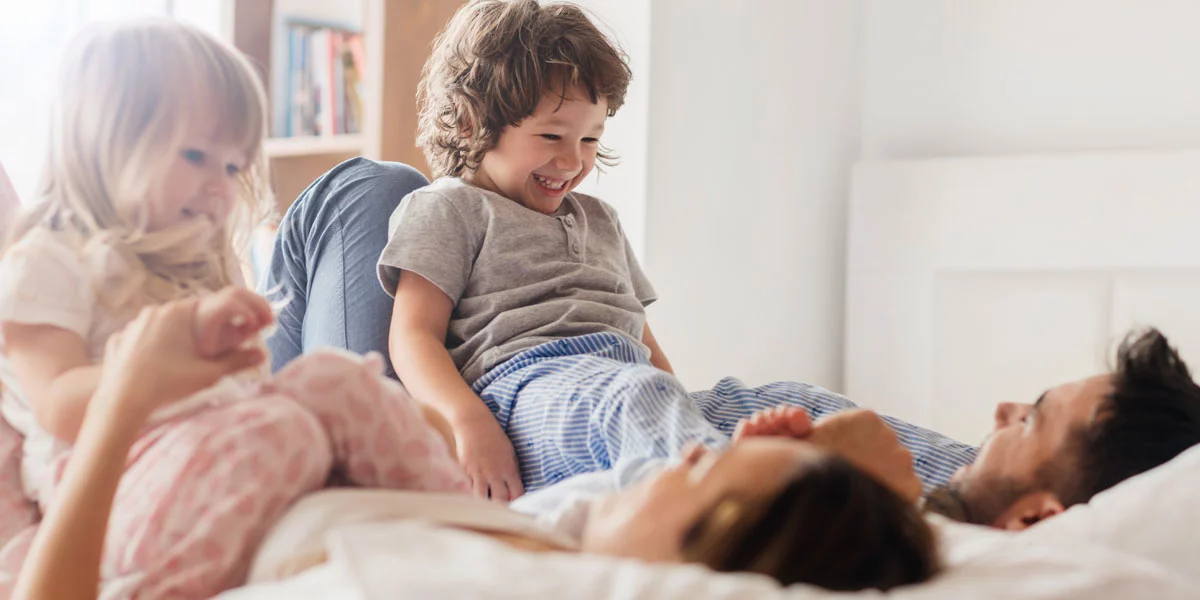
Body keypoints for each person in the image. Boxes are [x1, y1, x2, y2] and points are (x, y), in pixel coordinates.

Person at [10, 298, 940, 598]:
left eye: (701, 470)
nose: (685, 458)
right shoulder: (579, 534)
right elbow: (860, 471)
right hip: (421, 434)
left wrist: (130, 392)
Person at [0, 20, 467, 598]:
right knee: (284, 431)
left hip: (219, 438)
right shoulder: (49, 258)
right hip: (116, 483)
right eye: (196, 155)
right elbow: (57, 404)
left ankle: (463, 530)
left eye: (231, 167)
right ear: (104, 144)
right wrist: (164, 369)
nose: (220, 187)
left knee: (339, 382)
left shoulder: (190, 257)